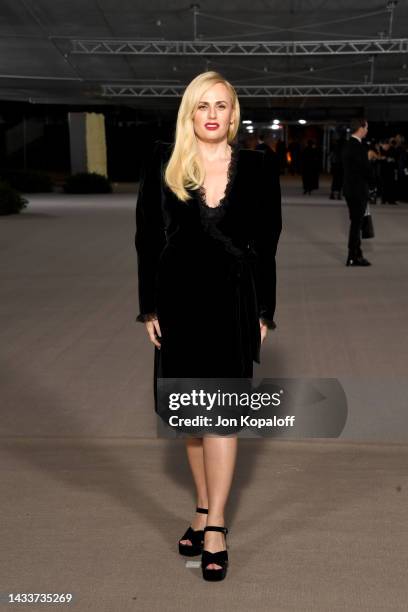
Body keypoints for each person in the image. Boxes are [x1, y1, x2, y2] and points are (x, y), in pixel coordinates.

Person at [134, 71, 282, 582]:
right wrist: (148, 308)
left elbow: (268, 244)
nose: (213, 114)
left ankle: (216, 525)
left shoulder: (260, 169)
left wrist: (265, 312)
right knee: (192, 416)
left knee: (222, 416)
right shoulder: (164, 162)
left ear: (233, 113)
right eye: (203, 105)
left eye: (221, 105)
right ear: (190, 113)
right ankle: (201, 508)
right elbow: (147, 237)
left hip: (235, 301)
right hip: (178, 302)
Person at [341, 118, 371, 266]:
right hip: (358, 190)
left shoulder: (347, 145)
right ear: (360, 128)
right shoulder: (359, 147)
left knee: (355, 223)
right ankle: (353, 256)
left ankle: (356, 253)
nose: (367, 130)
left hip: (349, 189)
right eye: (366, 128)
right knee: (356, 224)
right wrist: (375, 184)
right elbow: (365, 170)